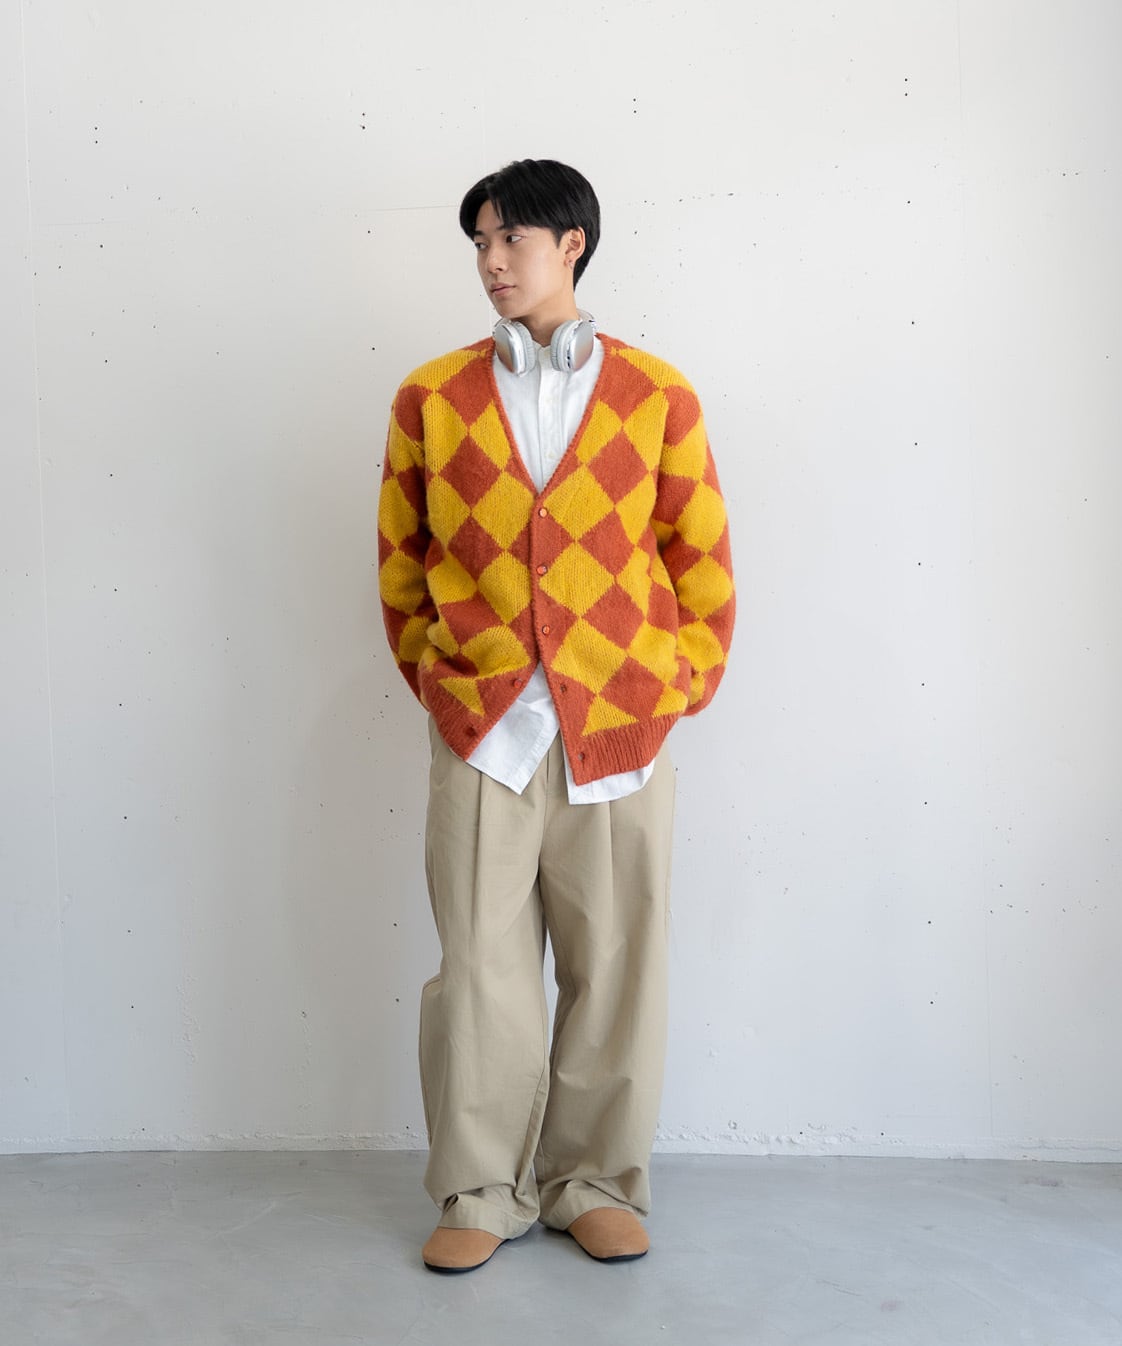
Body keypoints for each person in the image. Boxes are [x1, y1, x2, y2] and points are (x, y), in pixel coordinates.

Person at [377, 159, 735, 1272]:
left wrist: (671, 689)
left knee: (616, 966)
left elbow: (700, 557)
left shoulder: (658, 394)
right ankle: (479, 1188)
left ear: (570, 243)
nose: (491, 261)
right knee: (477, 969)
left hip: (619, 733)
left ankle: (596, 1181)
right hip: (486, 731)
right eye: (479, 243)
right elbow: (402, 563)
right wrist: (445, 680)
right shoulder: (431, 397)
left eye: (510, 239)